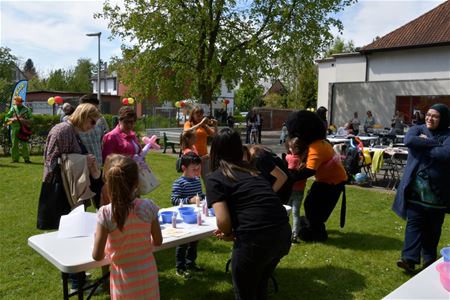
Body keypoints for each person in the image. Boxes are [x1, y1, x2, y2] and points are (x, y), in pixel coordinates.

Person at [206, 128, 291, 300]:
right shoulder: (253, 173)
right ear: (239, 149)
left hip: (255, 241)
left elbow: (222, 220)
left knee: (245, 293)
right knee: (260, 286)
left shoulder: (215, 177)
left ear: (214, 152)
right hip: (282, 234)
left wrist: (229, 233)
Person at [37, 103, 101, 292]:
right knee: (73, 236)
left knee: (74, 234)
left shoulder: (69, 129)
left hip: (67, 190)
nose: (93, 126)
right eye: (92, 121)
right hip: (63, 192)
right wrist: (83, 160)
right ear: (83, 116)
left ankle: (77, 277)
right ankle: (77, 284)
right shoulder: (64, 130)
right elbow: (53, 162)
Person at [92, 154, 162, 299]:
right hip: (148, 275)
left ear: (109, 183)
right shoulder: (149, 207)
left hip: (123, 280)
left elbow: (97, 256)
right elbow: (158, 241)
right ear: (136, 183)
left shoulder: (105, 214)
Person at [393, 103, 450, 274]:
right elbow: (409, 140)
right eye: (428, 115)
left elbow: (446, 155)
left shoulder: (448, 134)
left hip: (438, 195)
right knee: (414, 224)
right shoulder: (417, 129)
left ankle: (429, 261)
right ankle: (409, 259)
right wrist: (435, 145)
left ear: (443, 119)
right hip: (416, 192)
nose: (429, 118)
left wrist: (424, 145)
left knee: (432, 230)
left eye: (435, 116)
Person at [286, 110, 348, 242]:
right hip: (326, 179)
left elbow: (309, 170)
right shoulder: (318, 143)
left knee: (316, 207)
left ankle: (317, 233)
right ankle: (312, 225)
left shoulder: (316, 147)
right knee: (311, 203)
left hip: (333, 182)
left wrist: (289, 177)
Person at [170, 152, 205, 278]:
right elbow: (174, 200)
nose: (197, 172)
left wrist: (204, 197)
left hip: (195, 216)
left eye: (198, 169)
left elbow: (200, 195)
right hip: (183, 218)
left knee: (194, 241)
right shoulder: (179, 183)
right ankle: (180, 267)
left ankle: (191, 263)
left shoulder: (197, 180)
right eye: (194, 169)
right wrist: (189, 201)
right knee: (183, 242)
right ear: (184, 168)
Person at [183, 106, 217, 179]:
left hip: (204, 156)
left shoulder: (204, 126)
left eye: (201, 115)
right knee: (193, 180)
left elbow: (215, 135)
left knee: (208, 179)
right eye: (197, 115)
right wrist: (201, 123)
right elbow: (187, 132)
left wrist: (215, 126)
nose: (200, 117)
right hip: (192, 157)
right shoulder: (189, 123)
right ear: (193, 115)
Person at [285, 137, 307, 243]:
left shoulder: (290, 158)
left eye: (291, 147)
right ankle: (295, 234)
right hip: (300, 190)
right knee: (296, 213)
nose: (289, 149)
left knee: (286, 212)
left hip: (290, 190)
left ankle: (285, 232)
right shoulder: (303, 161)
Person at [4, 96, 32, 163]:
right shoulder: (12, 108)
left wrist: (24, 120)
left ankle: (26, 159)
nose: (16, 102)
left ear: (21, 102)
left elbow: (31, 120)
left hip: (23, 129)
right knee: (14, 144)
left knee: (24, 144)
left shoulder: (27, 109)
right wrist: (11, 119)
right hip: (14, 129)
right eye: (16, 101)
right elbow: (6, 118)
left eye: (18, 101)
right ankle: (15, 159)